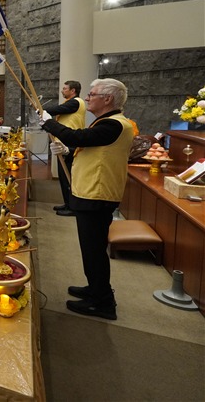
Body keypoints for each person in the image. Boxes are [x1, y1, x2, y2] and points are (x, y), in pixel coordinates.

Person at [40, 78, 134, 321]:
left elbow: (78, 137)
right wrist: (68, 151)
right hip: (91, 191)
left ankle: (103, 301)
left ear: (108, 99)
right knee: (91, 248)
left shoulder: (114, 124)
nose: (87, 98)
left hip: (97, 193)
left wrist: (50, 123)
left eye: (92, 94)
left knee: (93, 250)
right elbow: (89, 146)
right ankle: (95, 288)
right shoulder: (106, 123)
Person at [44, 80, 85, 216]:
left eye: (65, 88)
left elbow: (57, 109)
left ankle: (73, 206)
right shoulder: (70, 103)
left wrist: (43, 110)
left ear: (73, 91)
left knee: (68, 175)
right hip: (63, 143)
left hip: (70, 142)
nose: (62, 90)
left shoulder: (76, 102)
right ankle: (67, 203)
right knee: (63, 175)